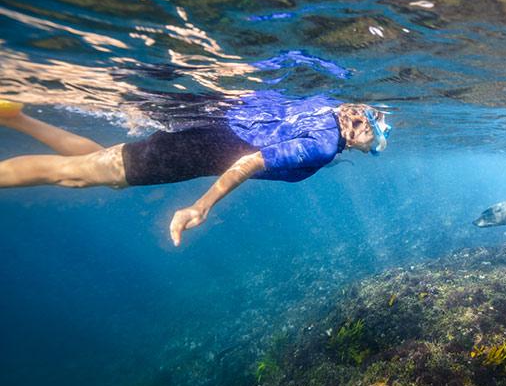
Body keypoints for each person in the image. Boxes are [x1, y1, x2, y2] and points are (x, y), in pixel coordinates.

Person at [0, 93, 391, 246]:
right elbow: (251, 161)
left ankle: (16, 119)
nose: (377, 146)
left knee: (101, 167)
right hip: (194, 150)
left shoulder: (325, 105)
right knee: (76, 174)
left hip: (206, 127)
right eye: (379, 139)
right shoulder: (323, 145)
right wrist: (200, 207)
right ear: (360, 130)